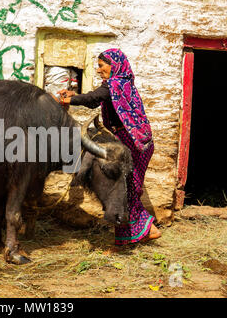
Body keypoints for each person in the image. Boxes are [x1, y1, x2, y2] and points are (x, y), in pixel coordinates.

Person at [56, 48, 161, 248]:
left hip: (134, 143)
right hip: (136, 141)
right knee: (127, 190)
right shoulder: (120, 85)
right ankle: (128, 238)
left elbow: (93, 99)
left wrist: (67, 100)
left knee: (127, 191)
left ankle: (145, 230)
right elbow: (97, 96)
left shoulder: (116, 85)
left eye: (102, 65)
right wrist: (73, 94)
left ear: (114, 65)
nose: (98, 70)